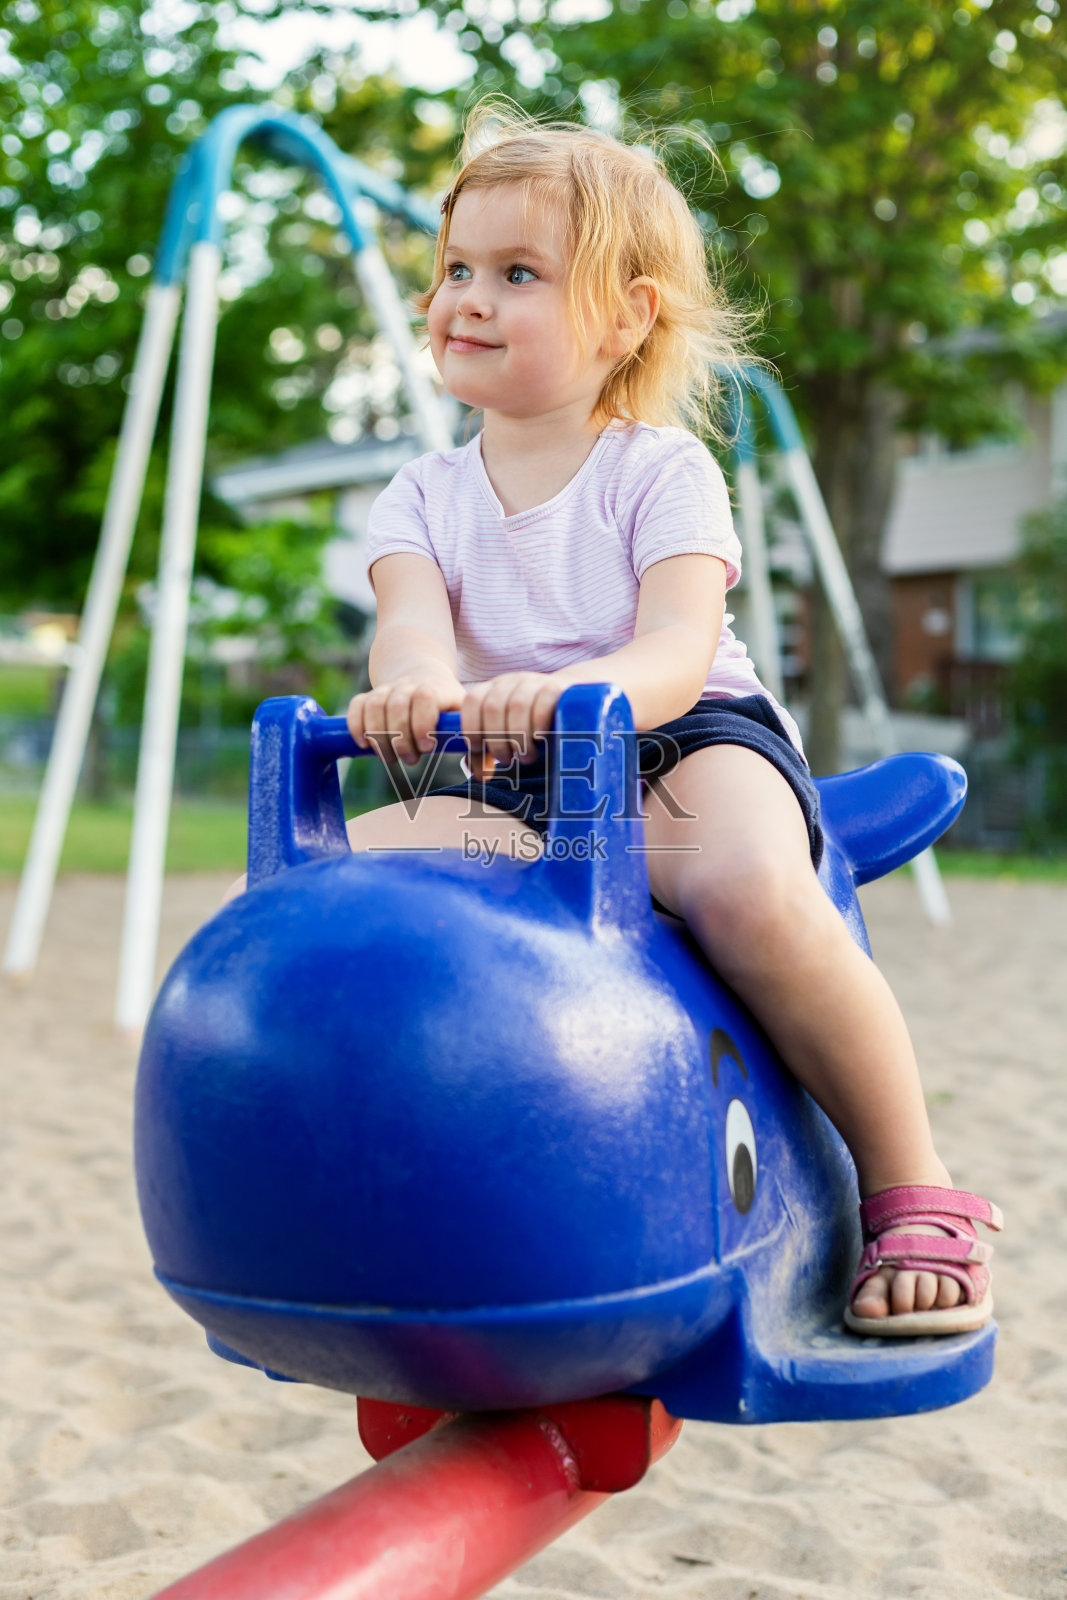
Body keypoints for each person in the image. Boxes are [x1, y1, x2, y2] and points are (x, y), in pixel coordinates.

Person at [344, 104, 1001, 1336]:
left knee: (747, 892)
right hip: (510, 763)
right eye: (455, 271)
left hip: (684, 737)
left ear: (626, 317)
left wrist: (574, 696)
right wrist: (413, 685)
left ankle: (914, 1185)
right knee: (368, 880)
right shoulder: (419, 494)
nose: (465, 300)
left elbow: (672, 648)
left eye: (517, 275)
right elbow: (410, 626)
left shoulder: (657, 471)